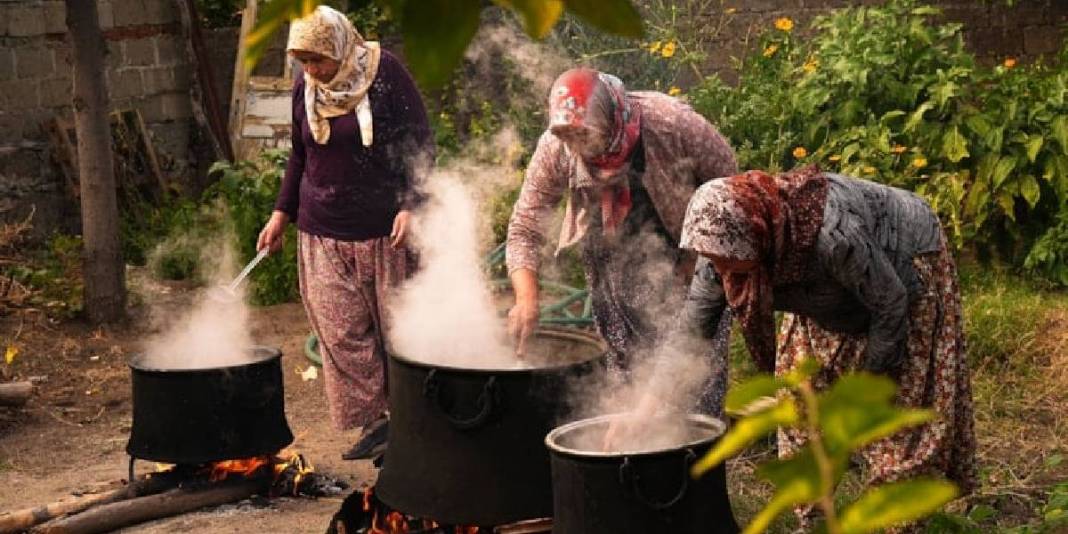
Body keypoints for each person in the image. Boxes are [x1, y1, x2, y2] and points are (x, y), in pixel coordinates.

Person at [676, 167, 977, 528]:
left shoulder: (832, 237)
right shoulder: (721, 244)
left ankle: (897, 522)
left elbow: (890, 304)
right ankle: (814, 522)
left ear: (756, 235)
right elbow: (691, 331)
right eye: (714, 259)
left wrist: (864, 387)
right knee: (801, 408)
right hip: (826, 296)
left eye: (727, 260)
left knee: (897, 417)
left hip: (903, 267)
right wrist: (649, 406)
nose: (721, 270)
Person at [256, 6, 433, 461]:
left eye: (318, 60)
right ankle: (376, 424)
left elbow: (420, 144)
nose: (311, 70)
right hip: (322, 231)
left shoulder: (385, 73)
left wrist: (412, 204)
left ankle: (413, 424)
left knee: (399, 333)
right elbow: (300, 155)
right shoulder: (306, 87)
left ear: (340, 47)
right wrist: (281, 213)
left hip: (385, 232)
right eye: (303, 62)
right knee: (340, 334)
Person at [505, 68, 737, 411]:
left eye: (582, 134)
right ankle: (632, 440)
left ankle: (697, 441)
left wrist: (697, 256)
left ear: (610, 116)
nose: (574, 147)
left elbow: (730, 188)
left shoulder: (671, 124)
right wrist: (527, 299)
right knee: (625, 378)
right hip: (611, 268)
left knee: (692, 373)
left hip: (687, 258)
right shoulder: (556, 147)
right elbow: (525, 227)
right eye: (566, 136)